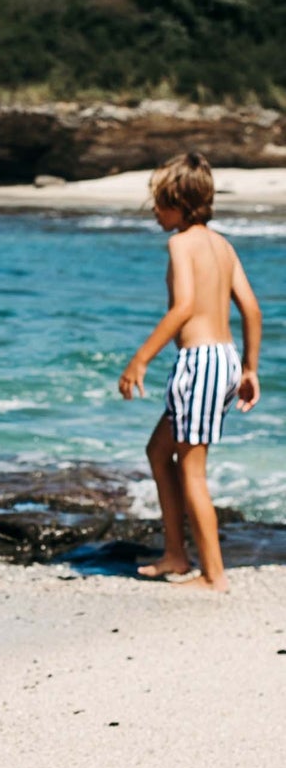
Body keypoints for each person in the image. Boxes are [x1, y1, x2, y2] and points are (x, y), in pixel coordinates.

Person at [119, 152, 262, 591]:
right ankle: (176, 555)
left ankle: (213, 575)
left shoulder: (181, 244)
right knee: (159, 452)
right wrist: (250, 368)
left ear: (177, 203)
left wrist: (140, 359)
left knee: (192, 468)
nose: (155, 213)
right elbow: (253, 311)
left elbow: (183, 308)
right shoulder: (223, 245)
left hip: (199, 363)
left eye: (158, 204)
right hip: (226, 361)